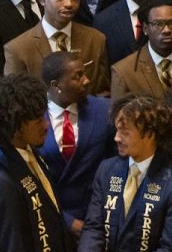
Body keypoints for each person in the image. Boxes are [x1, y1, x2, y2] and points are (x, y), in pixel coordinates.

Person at [78, 94, 172, 250]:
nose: (116, 138)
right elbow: (93, 228)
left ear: (150, 134)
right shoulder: (106, 169)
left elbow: (170, 247)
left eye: (125, 132)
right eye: (117, 130)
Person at [0, 74, 74, 252]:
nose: (46, 125)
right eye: (38, 122)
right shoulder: (0, 184)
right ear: (15, 128)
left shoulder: (30, 152)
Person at [4, 0, 112, 96]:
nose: (69, 3)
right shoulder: (18, 49)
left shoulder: (96, 40)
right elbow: (15, 103)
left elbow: (103, 93)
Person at [39, 51, 116, 239]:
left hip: (98, 219)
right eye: (78, 76)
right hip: (52, 222)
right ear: (56, 85)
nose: (87, 80)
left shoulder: (104, 109)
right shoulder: (33, 118)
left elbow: (116, 165)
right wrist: (66, 221)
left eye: (85, 73)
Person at [110, 0, 172, 103]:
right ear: (145, 28)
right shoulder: (123, 71)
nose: (166, 30)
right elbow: (118, 118)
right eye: (158, 24)